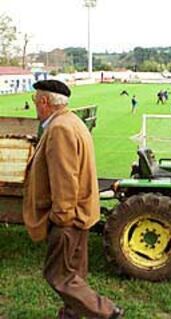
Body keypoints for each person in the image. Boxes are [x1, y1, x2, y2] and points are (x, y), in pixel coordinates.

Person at [24, 80, 123, 319]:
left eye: (35, 100)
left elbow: (65, 178)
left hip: (69, 218)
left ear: (45, 102)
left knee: (59, 275)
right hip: (81, 213)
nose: (34, 105)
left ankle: (107, 312)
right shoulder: (72, 122)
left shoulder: (59, 129)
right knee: (75, 274)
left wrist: (61, 218)